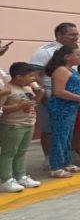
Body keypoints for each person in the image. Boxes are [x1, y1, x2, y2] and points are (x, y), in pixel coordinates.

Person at [28, 22, 80, 159]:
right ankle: (49, 159)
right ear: (59, 35)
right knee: (49, 128)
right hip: (51, 94)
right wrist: (43, 96)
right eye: (71, 35)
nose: (76, 37)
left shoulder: (73, 49)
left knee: (68, 128)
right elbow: (34, 76)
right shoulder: (45, 51)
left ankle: (65, 157)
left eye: (77, 34)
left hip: (71, 95)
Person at [45, 44, 80, 178]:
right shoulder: (61, 70)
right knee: (59, 137)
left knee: (67, 137)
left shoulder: (71, 70)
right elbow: (58, 91)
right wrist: (79, 98)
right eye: (78, 54)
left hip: (70, 108)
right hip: (61, 108)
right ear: (67, 57)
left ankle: (67, 163)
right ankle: (56, 167)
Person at [0, 62, 42, 192]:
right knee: (9, 152)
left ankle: (21, 176)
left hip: (28, 123)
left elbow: (33, 103)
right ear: (18, 77)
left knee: (22, 152)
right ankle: (5, 179)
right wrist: (18, 106)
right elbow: (2, 108)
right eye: (30, 76)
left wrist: (39, 93)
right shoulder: (7, 89)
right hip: (13, 125)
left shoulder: (27, 88)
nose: (33, 79)